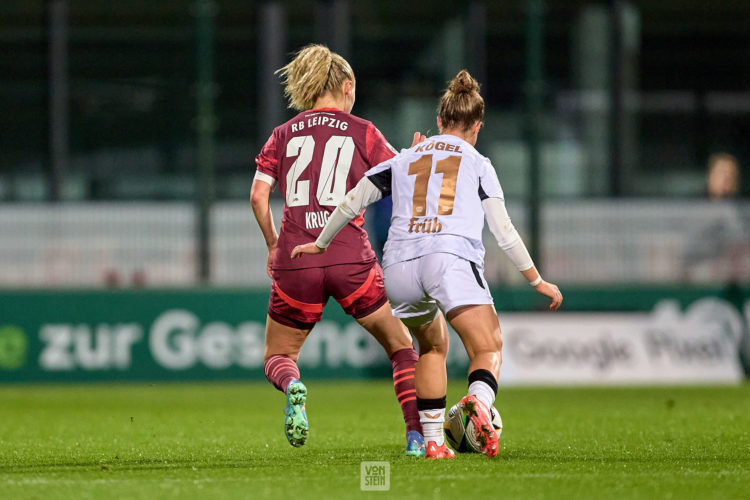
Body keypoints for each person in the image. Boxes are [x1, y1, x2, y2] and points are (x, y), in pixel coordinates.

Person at [292, 70, 563, 459]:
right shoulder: (477, 161)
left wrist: (319, 243)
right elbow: (503, 230)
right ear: (477, 126)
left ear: (439, 121)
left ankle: (434, 441)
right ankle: (478, 404)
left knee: (432, 345)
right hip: (449, 258)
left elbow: (353, 200)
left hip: (399, 267)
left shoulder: (403, 159)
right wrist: (536, 280)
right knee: (488, 348)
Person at [250, 44, 425, 455]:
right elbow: (403, 182)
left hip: (297, 260)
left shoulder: (282, 133)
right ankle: (416, 436)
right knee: (401, 345)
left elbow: (259, 197)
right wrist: (414, 157)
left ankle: (294, 386)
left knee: (279, 354)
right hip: (351, 258)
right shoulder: (363, 130)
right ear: (347, 87)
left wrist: (274, 245)